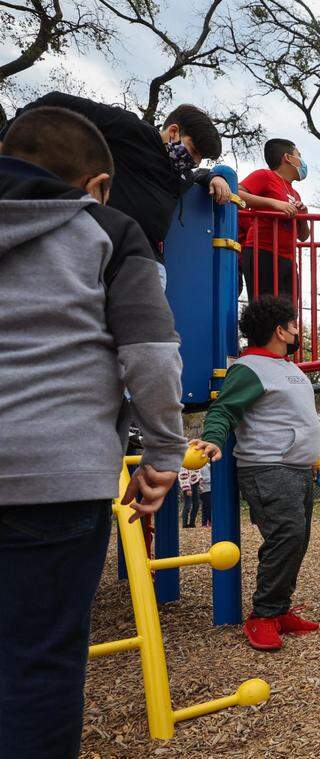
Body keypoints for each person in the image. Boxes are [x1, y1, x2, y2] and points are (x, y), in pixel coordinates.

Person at [0, 107, 185, 758]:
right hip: (55, 472)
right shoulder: (107, 229)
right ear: (98, 184)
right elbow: (152, 356)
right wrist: (163, 452)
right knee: (40, 665)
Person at [188, 296, 320, 652]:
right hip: (268, 466)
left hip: (296, 468)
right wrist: (214, 440)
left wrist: (315, 457)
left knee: (297, 538)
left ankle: (279, 610)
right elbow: (223, 410)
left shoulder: (288, 368)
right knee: (286, 536)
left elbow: (300, 419)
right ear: (280, 330)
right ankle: (262, 616)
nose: (298, 329)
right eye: (293, 324)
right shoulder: (250, 369)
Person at [0, 91, 229, 288]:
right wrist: (8, 138)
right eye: (194, 150)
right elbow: (56, 102)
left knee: (144, 331)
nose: (196, 161)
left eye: (201, 158)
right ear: (173, 131)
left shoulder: (180, 174)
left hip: (147, 262)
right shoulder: (131, 129)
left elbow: (197, 175)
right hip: (101, 247)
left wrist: (213, 176)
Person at [237, 138, 311, 298]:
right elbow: (236, 193)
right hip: (263, 252)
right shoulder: (264, 176)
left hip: (288, 259)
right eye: (299, 155)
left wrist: (303, 217)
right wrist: (275, 204)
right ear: (288, 158)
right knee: (266, 312)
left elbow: (303, 236)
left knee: (289, 316)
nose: (302, 161)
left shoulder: (294, 193)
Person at [199, 462, 213, 527]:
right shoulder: (198, 466)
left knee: (205, 506)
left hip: (209, 488)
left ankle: (204, 523)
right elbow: (200, 478)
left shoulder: (208, 465)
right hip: (204, 489)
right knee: (207, 506)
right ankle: (209, 521)